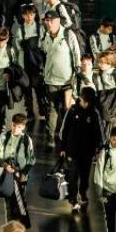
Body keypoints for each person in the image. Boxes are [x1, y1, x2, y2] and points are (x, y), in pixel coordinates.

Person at [38, 10, 84, 146]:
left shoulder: (68, 34)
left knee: (66, 108)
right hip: (51, 79)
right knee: (51, 109)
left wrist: (77, 71)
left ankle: (66, 135)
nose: (48, 23)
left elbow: (76, 53)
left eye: (51, 20)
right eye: (46, 21)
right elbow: (44, 52)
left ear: (58, 21)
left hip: (67, 80)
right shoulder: (46, 35)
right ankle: (50, 138)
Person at [60, 86, 106, 214]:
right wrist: (62, 147)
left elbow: (99, 131)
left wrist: (99, 146)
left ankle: (83, 192)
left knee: (85, 175)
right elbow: (64, 130)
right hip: (72, 149)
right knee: (72, 175)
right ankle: (73, 199)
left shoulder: (93, 112)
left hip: (87, 150)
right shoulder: (73, 110)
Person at [0, 113, 35, 225]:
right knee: (9, 202)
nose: (15, 129)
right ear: (11, 124)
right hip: (7, 174)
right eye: (14, 125)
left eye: (19, 127)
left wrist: (24, 174)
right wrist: (6, 166)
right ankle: (10, 225)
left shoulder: (26, 140)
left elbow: (31, 159)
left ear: (23, 127)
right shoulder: (4, 136)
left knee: (20, 201)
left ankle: (19, 226)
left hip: (21, 174)